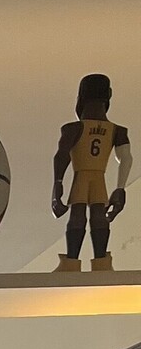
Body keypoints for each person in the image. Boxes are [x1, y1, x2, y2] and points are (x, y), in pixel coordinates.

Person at [52, 74, 131, 274]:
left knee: (77, 213)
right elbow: (126, 158)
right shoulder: (117, 130)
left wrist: (58, 185)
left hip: (82, 175)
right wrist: (120, 188)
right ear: (108, 95)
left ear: (81, 97)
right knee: (99, 214)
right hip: (99, 177)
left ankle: (71, 263)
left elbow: (61, 156)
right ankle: (102, 263)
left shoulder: (74, 128)